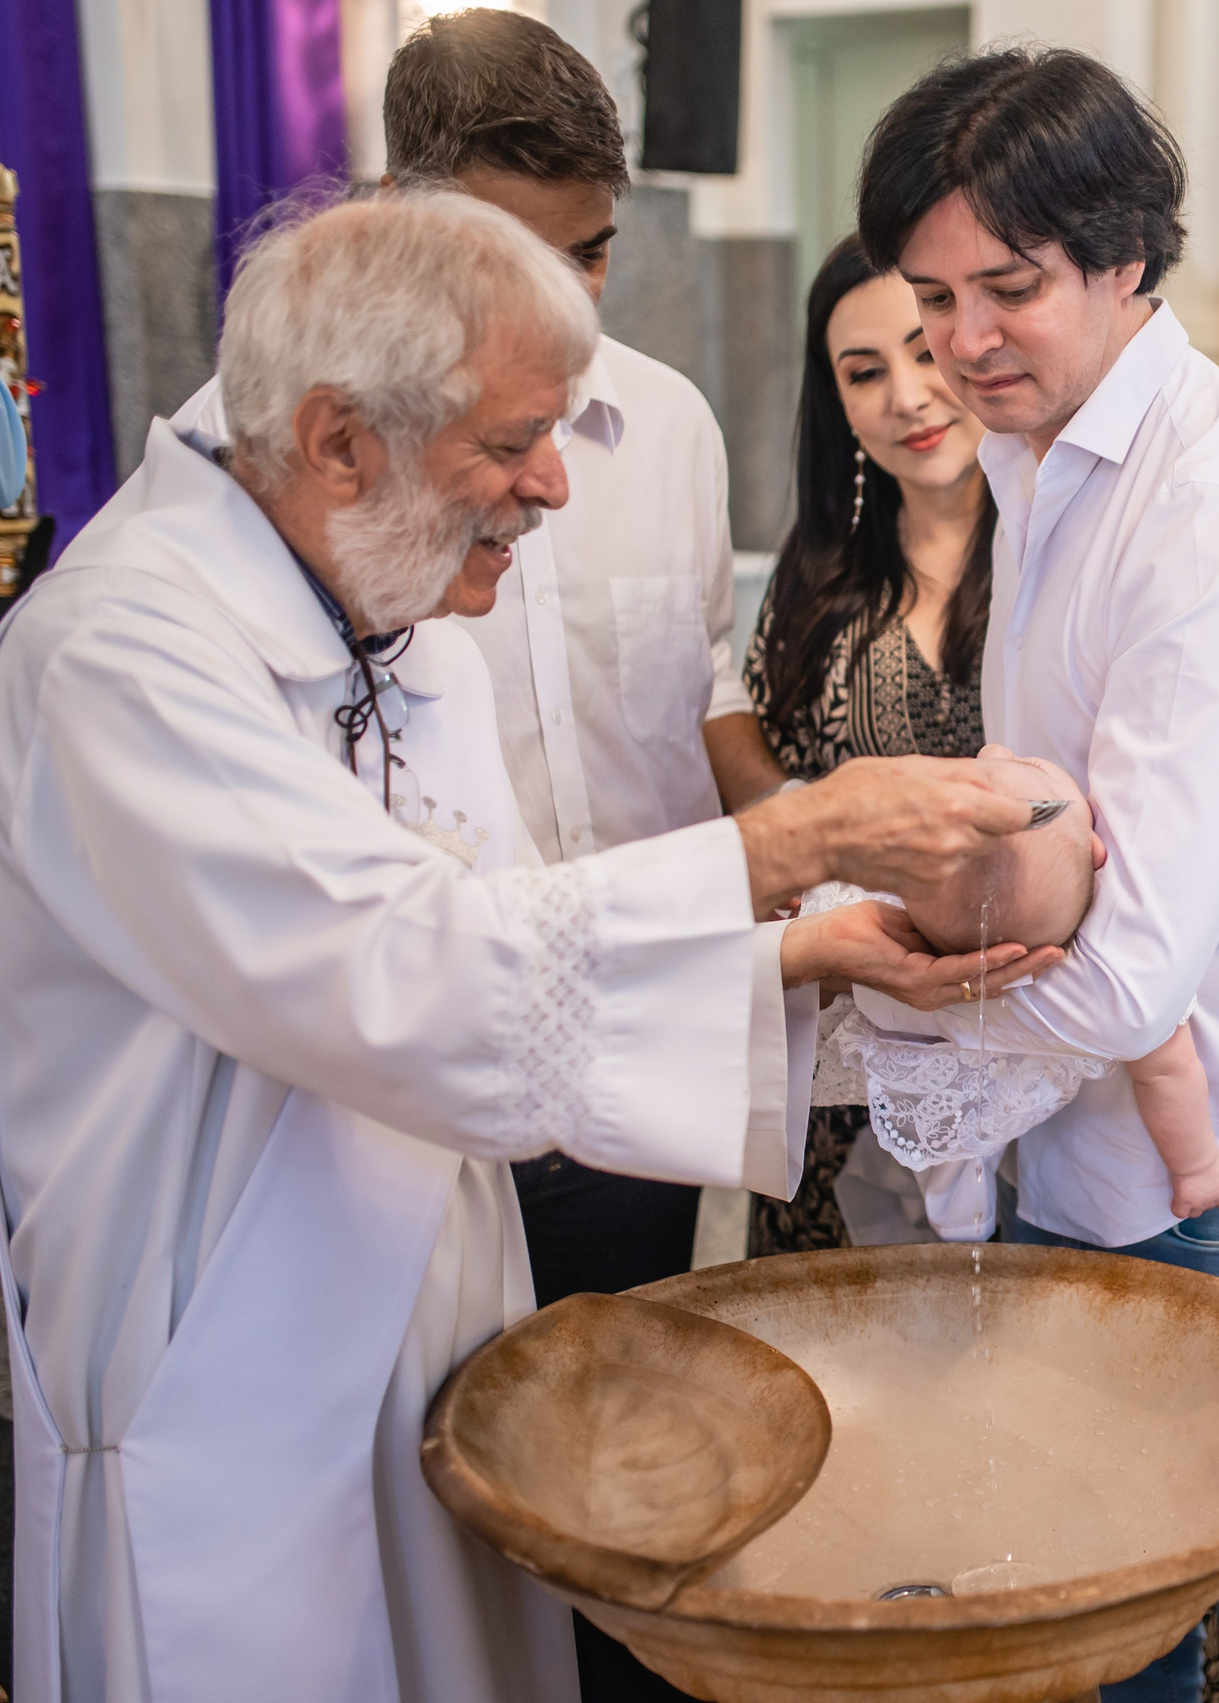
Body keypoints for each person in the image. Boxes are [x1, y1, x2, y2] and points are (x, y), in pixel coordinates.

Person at [0, 194, 1051, 1703]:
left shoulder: (400, 630)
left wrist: (800, 959)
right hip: (226, 1385)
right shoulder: (123, 658)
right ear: (338, 438)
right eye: (508, 445)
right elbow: (405, 978)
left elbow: (511, 946)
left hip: (427, 1335)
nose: (552, 485)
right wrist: (795, 840)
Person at [848, 46, 1219, 1703]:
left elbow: (1132, 971)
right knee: (1101, 1618)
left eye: (1009, 290)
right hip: (1088, 1144)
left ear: (1125, 259)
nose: (963, 343)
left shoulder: (1218, 509)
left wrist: (864, 999)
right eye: (932, 294)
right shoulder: (1046, 455)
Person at [166, 10, 766, 1317]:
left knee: (620, 1445)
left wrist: (783, 832)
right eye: (511, 257)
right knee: (421, 1477)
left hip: (628, 1056)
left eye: (591, 253)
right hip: (396, 1091)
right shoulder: (269, 449)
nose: (565, 304)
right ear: (395, 214)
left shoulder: (669, 425)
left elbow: (699, 676)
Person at [726, 231, 1002, 1253]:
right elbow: (769, 816)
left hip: (1028, 1071)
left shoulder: (1057, 560)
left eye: (924, 349)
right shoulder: (813, 584)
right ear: (834, 401)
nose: (908, 395)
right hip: (839, 1087)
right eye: (864, 371)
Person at [816, 751, 1219, 1240]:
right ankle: (956, 1210)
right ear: (1097, 853)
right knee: (968, 1126)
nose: (993, 750)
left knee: (956, 1132)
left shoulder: (904, 948)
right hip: (1006, 1093)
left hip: (947, 1074)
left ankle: (955, 1212)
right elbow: (1168, 1073)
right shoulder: (1112, 971)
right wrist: (1197, 1166)